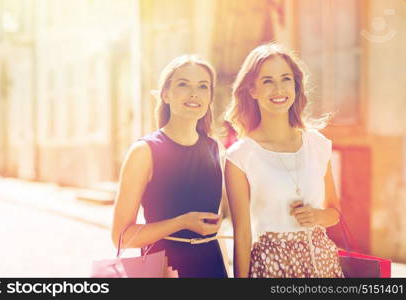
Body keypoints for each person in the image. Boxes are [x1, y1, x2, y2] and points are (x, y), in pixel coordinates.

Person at [224, 43, 344, 278]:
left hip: (322, 265)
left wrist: (317, 217)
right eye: (267, 81)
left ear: (296, 85)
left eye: (286, 79)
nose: (279, 89)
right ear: (252, 90)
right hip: (270, 267)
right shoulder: (240, 156)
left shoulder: (317, 144)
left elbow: (335, 212)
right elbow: (242, 234)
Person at [111, 55, 228, 278]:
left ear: (210, 96)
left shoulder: (215, 150)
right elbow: (121, 236)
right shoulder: (145, 151)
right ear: (166, 94)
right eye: (183, 84)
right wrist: (181, 222)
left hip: (212, 268)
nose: (194, 93)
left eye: (203, 86)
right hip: (164, 270)